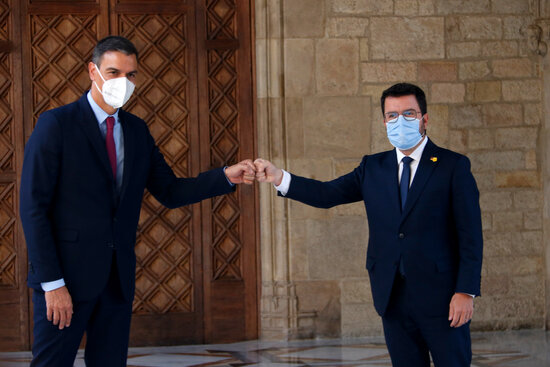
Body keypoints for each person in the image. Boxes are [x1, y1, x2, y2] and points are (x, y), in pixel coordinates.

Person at [20, 35, 256, 367]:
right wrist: (52, 283)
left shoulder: (135, 130)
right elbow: (33, 209)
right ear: (93, 71)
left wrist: (224, 177)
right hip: (65, 282)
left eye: (130, 75)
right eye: (113, 72)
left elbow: (170, 191)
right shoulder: (56, 125)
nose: (123, 82)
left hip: (116, 281)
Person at [254, 83, 483, 367]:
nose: (400, 121)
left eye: (409, 113)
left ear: (425, 119)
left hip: (444, 300)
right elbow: (327, 194)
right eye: (392, 115)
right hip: (392, 297)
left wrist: (466, 291)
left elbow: (470, 235)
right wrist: (279, 177)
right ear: (384, 121)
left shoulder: (452, 166)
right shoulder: (373, 167)